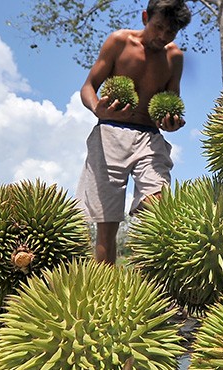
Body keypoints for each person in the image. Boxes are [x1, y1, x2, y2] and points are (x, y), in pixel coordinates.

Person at [76, 0, 191, 264]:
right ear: (144, 17)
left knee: (158, 207)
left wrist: (171, 122)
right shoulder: (119, 42)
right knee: (107, 224)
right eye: (158, 27)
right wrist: (98, 109)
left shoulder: (175, 57)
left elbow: (171, 102)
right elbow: (88, 86)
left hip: (149, 138)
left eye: (170, 32)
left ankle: (151, 281)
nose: (162, 36)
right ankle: (104, 289)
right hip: (109, 134)